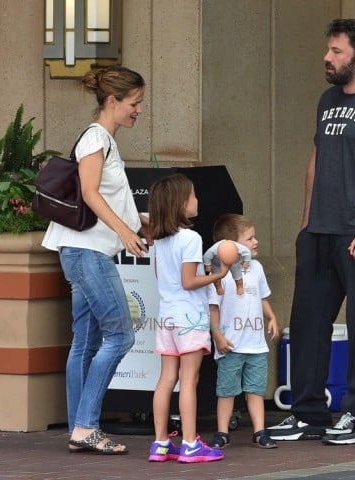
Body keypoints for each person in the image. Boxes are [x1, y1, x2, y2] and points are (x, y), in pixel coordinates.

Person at [266, 18, 355, 445]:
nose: (327, 58)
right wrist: (306, 220)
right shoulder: (328, 99)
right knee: (309, 323)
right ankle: (308, 411)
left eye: (336, 51)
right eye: (329, 51)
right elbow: (316, 157)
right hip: (320, 231)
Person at [42, 66, 150, 454]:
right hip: (88, 253)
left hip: (84, 250)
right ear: (112, 101)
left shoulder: (102, 139)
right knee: (121, 335)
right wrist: (125, 231)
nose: (139, 110)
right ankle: (86, 425)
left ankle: (79, 426)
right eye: (135, 103)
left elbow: (102, 194)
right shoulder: (96, 138)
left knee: (85, 343)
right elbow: (89, 192)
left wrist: (138, 222)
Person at [147, 173, 227, 464]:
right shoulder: (191, 238)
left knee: (166, 378)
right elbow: (188, 281)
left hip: (166, 316)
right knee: (188, 380)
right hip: (189, 317)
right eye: (193, 195)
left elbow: (162, 276)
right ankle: (190, 443)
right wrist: (218, 274)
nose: (198, 200)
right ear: (182, 204)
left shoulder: (160, 240)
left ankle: (160, 444)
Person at [206, 214, 280, 449]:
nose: (255, 241)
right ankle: (222, 432)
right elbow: (213, 308)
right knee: (226, 391)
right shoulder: (219, 273)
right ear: (231, 246)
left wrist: (272, 316)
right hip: (232, 344)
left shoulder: (257, 268)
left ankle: (260, 431)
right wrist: (217, 335)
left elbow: (261, 297)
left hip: (256, 345)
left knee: (256, 390)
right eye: (250, 238)